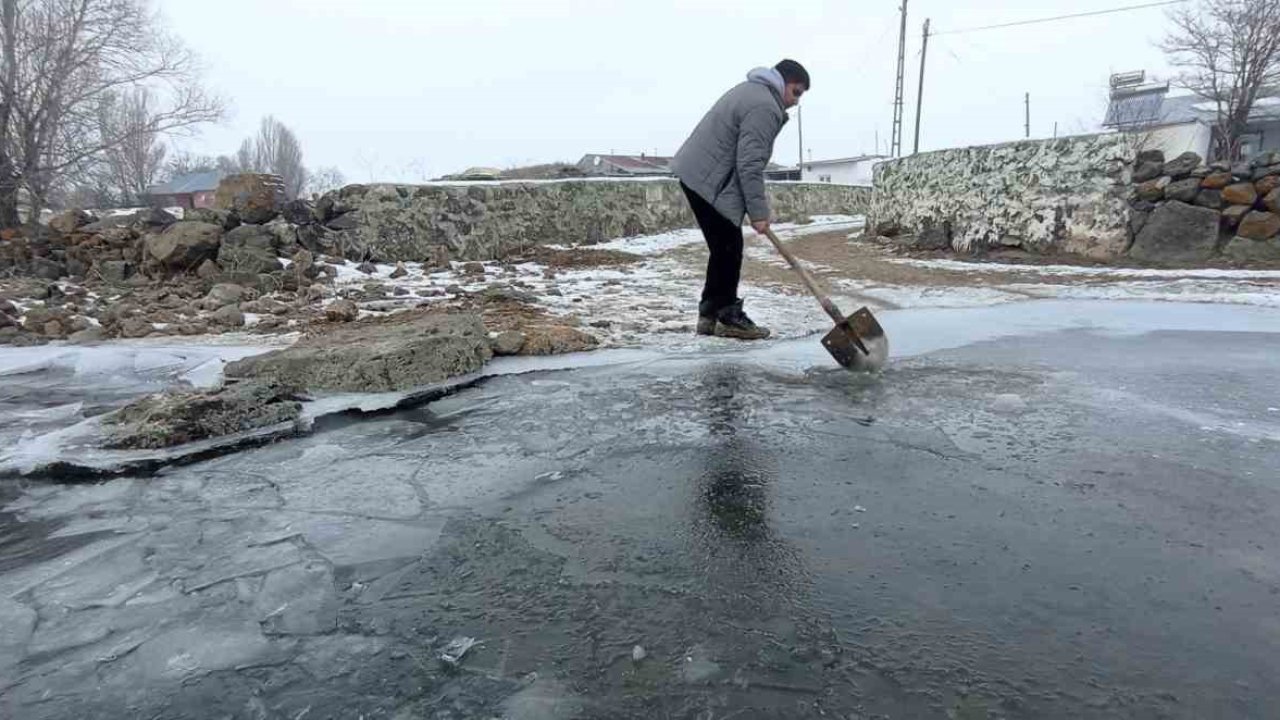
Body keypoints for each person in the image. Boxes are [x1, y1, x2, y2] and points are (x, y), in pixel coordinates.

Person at [671, 59, 809, 340]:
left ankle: (710, 315)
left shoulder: (752, 91)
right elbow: (749, 164)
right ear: (783, 82)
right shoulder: (765, 106)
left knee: (724, 248)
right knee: (728, 248)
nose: (796, 101)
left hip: (699, 174)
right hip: (711, 180)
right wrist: (758, 213)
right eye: (796, 92)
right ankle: (727, 317)